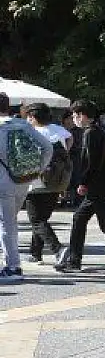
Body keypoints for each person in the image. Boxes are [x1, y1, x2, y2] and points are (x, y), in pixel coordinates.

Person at [55, 99, 105, 279]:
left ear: (83, 116)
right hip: (101, 184)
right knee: (82, 219)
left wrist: (83, 183)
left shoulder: (90, 133)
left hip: (96, 186)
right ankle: (76, 261)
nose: (74, 119)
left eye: (75, 116)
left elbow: (91, 162)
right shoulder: (100, 129)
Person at [0, 95, 53, 283]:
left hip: (2, 183)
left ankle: (13, 267)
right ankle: (12, 264)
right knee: (9, 222)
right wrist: (37, 170)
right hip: (22, 181)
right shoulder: (22, 125)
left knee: (6, 225)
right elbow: (48, 147)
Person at [23, 103, 72, 266]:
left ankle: (58, 249)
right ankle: (35, 253)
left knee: (36, 220)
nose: (27, 119)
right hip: (57, 181)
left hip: (37, 183)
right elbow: (70, 139)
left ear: (34, 117)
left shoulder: (32, 132)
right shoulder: (57, 129)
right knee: (42, 219)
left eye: (29, 116)